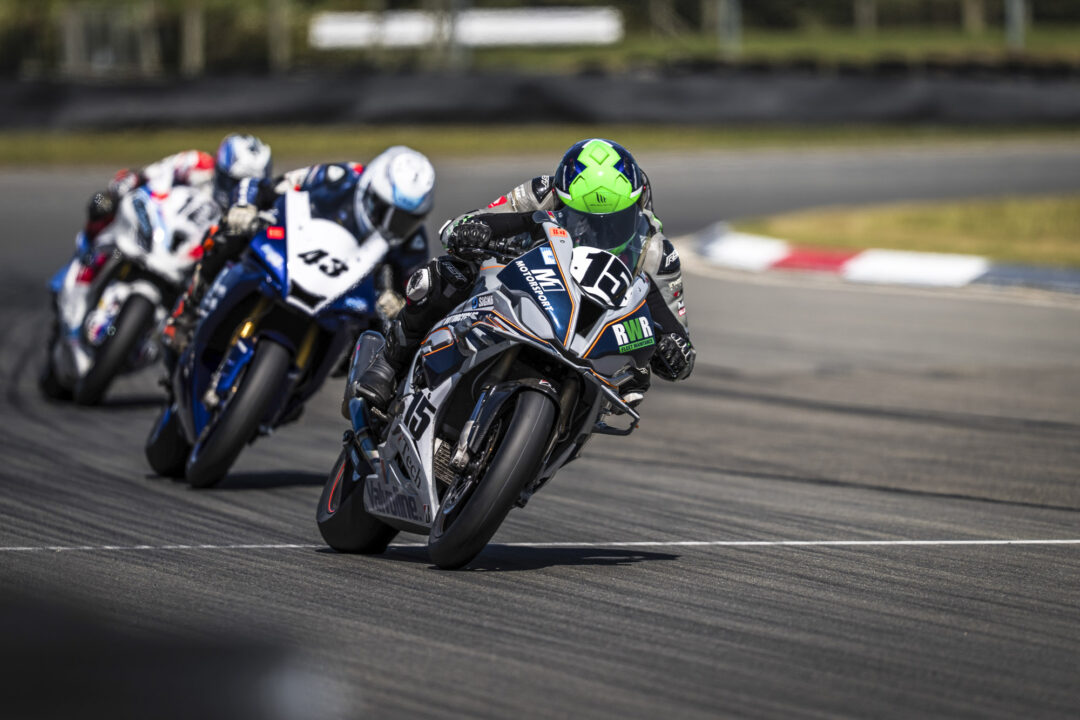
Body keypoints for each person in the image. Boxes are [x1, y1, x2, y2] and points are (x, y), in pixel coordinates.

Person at [353, 137, 694, 412]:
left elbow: (681, 343)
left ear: (638, 207)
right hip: (529, 287)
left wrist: (673, 350)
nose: (596, 234)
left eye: (613, 223)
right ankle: (388, 364)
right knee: (448, 273)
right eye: (582, 220)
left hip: (595, 335)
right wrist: (475, 231)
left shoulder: (656, 252)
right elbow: (465, 224)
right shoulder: (541, 192)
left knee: (633, 383)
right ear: (560, 200)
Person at [162, 146, 436, 353]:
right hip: (293, 253)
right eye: (384, 209)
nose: (392, 225)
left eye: (405, 219)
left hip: (346, 298)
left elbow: (416, 298)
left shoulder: (412, 240)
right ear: (368, 188)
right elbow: (264, 187)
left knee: (384, 337)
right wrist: (246, 206)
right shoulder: (337, 177)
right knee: (230, 231)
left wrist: (400, 307)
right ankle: (188, 311)